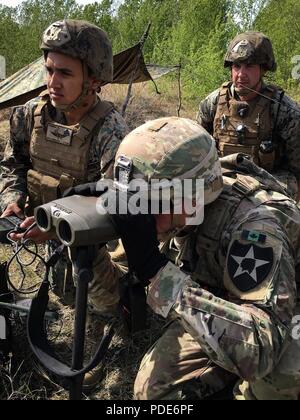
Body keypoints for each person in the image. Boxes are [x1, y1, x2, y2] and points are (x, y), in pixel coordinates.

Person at [73, 116, 300, 399]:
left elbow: (263, 348)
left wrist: (156, 271)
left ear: (192, 198)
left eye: (149, 203)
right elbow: (114, 295)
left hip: (280, 315)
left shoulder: (255, 229)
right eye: (133, 201)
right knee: (154, 392)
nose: (141, 213)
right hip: (223, 301)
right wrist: (89, 245)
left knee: (279, 383)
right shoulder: (173, 213)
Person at [0, 19, 128, 389]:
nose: (52, 81)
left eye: (65, 73)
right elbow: (14, 165)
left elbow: (114, 200)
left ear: (94, 80)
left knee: (89, 278)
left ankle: (101, 321)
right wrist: (12, 200)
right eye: (49, 70)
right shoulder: (27, 115)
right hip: (38, 222)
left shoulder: (110, 129)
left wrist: (56, 226)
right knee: (63, 289)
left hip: (88, 235)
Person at [196, 31, 300, 202]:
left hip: (266, 187)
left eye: (249, 66)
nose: (241, 74)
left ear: (263, 69)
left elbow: (297, 171)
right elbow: (196, 150)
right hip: (221, 179)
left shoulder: (283, 110)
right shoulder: (214, 102)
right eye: (236, 66)